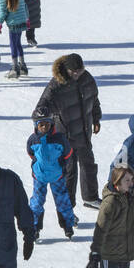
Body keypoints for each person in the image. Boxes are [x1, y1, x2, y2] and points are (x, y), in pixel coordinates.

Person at [32, 53, 102, 206]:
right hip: (65, 136)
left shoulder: (87, 79)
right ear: (67, 70)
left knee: (88, 165)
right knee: (69, 172)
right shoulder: (56, 85)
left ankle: (90, 198)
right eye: (74, 72)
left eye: (80, 71)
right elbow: (42, 107)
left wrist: (96, 119)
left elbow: (94, 100)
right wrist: (41, 123)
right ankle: (67, 207)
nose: (77, 74)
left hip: (83, 133)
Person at [27, 115, 78, 237]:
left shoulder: (59, 139)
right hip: (40, 176)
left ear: (52, 124)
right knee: (37, 201)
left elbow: (68, 153)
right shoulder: (33, 139)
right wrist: (38, 165)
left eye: (47, 124)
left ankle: (67, 225)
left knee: (63, 200)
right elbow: (30, 153)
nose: (44, 127)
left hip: (57, 176)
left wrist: (60, 165)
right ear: (36, 126)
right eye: (41, 124)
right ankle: (34, 226)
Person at [0, 0, 29, 78]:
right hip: (22, 21)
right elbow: (25, 5)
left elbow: (3, 10)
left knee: (13, 44)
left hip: (13, 22)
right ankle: (23, 65)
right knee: (18, 43)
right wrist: (27, 18)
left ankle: (15, 68)